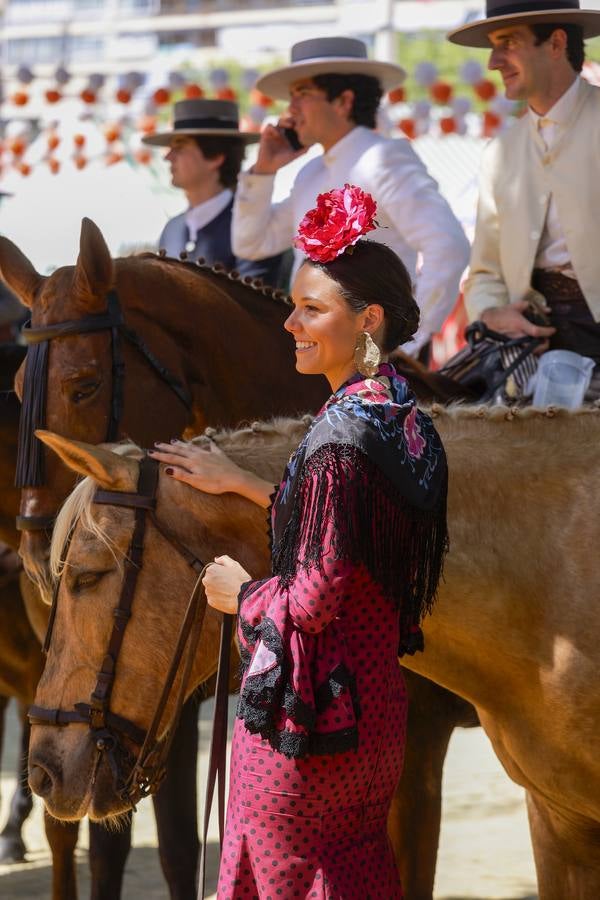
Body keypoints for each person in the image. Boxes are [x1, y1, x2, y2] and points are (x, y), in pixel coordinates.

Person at [150, 185, 448, 897]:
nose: (289, 323)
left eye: (312, 308)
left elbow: (315, 597)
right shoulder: (399, 413)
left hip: (307, 728)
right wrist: (251, 487)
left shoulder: (340, 436)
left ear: (368, 319)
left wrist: (240, 595)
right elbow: (355, 527)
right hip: (372, 718)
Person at [231, 36, 470, 357]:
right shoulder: (310, 173)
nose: (290, 110)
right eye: (291, 97)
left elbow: (448, 246)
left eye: (302, 94)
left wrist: (403, 343)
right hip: (321, 355)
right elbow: (251, 244)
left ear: (343, 101)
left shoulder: (383, 158)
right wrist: (263, 171)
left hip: (376, 363)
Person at [448, 1, 600, 374]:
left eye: (508, 43)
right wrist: (492, 312)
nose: (493, 61)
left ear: (556, 43)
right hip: (529, 352)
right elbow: (485, 274)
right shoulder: (500, 152)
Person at [143, 98, 285, 285]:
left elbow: (252, 306)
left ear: (216, 156)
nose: (168, 157)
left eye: (179, 146)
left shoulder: (251, 222)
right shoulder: (172, 229)